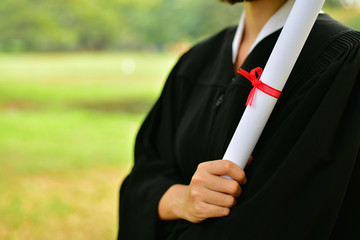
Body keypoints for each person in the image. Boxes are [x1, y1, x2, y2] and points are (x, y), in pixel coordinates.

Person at [117, 0, 360, 239]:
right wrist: (183, 200)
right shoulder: (198, 60)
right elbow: (142, 180)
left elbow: (279, 220)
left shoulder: (342, 62)